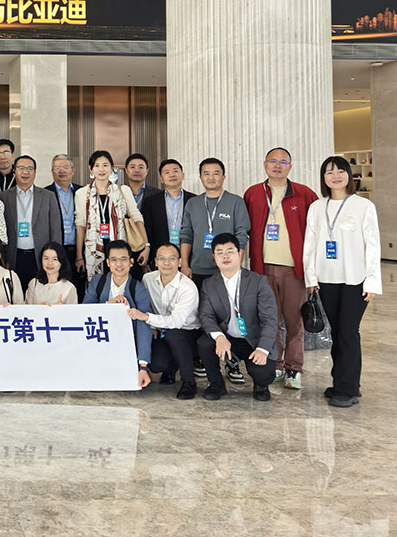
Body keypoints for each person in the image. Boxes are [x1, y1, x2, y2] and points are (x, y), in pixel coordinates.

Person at [303, 156, 381, 408]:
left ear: (349, 174)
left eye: (340, 170)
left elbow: (372, 245)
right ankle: (342, 382)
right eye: (329, 172)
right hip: (327, 280)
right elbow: (310, 244)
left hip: (355, 280)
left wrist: (372, 281)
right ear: (323, 178)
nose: (335, 175)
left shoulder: (363, 206)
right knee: (337, 333)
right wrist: (311, 277)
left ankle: (347, 390)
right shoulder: (317, 207)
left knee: (348, 332)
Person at [243, 147, 319, 390]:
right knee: (269, 319)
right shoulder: (253, 193)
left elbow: (316, 232)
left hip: (294, 270)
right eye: (273, 161)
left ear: (290, 166)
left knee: (294, 320)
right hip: (262, 268)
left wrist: (313, 271)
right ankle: (275, 364)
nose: (278, 165)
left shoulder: (304, 194)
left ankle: (293, 368)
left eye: (283, 162)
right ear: (265, 164)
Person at [196, 233, 278, 402]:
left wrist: (263, 349)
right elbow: (206, 315)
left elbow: (270, 319)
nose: (225, 256)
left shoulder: (258, 282)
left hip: (252, 339)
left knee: (264, 374)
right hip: (227, 337)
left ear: (239, 254)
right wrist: (219, 336)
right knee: (204, 343)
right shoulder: (209, 284)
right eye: (219, 252)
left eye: (229, 251)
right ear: (214, 257)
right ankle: (216, 383)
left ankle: (260, 385)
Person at [127, 243, 201, 400]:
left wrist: (147, 318)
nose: (166, 263)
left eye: (171, 259)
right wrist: (152, 325)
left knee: (174, 335)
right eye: (161, 259)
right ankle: (170, 368)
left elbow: (176, 322)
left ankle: (189, 382)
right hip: (161, 330)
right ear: (155, 261)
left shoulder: (188, 288)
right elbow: (145, 305)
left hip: (187, 333)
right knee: (156, 364)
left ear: (180, 262)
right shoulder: (148, 279)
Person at [82, 240, 153, 389]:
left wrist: (143, 367)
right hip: (100, 339)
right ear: (107, 262)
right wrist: (109, 305)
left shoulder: (138, 288)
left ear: (131, 262)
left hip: (127, 341)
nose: (118, 264)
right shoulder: (98, 281)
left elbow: (143, 325)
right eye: (114, 260)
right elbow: (85, 312)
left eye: (123, 259)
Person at [74, 150, 148, 282]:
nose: (101, 169)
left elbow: (137, 217)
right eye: (97, 165)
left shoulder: (123, 190)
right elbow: (80, 225)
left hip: (119, 246)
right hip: (93, 251)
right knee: (97, 285)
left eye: (105, 165)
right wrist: (79, 256)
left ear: (111, 168)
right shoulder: (82, 193)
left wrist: (146, 245)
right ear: (90, 169)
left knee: (120, 283)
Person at [180, 157, 250, 288]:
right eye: (206, 173)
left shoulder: (236, 202)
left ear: (223, 177)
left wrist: (236, 267)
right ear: (200, 177)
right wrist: (184, 265)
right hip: (197, 270)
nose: (211, 177)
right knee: (199, 308)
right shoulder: (193, 203)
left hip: (226, 269)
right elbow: (186, 235)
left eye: (216, 173)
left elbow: (241, 235)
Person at [0, 155, 62, 293]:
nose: (25, 172)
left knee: (40, 295)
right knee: (15, 295)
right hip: (14, 257)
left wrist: (55, 257)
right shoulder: (3, 197)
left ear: (35, 172)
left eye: (30, 168)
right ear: (14, 171)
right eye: (21, 168)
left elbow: (56, 229)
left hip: (40, 256)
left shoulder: (48, 196)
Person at [139, 158, 196, 266]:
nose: (172, 175)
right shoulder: (151, 202)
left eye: (175, 171)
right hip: (161, 258)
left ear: (183, 175)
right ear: (161, 178)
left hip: (189, 258)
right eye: (167, 172)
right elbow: (148, 231)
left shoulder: (194, 200)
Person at [44, 154, 84, 298]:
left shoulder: (82, 192)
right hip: (56, 251)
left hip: (79, 251)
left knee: (78, 289)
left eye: (66, 167)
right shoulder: (45, 193)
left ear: (73, 170)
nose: (62, 171)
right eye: (57, 168)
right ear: (52, 171)